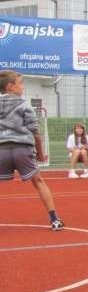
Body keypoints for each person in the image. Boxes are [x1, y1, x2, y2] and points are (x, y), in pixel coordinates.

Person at [0, 71, 63, 230]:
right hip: (22, 149)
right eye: (20, 83)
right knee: (38, 181)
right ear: (10, 87)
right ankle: (54, 219)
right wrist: (41, 154)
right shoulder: (24, 105)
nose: (23, 86)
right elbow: (35, 133)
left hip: (2, 150)